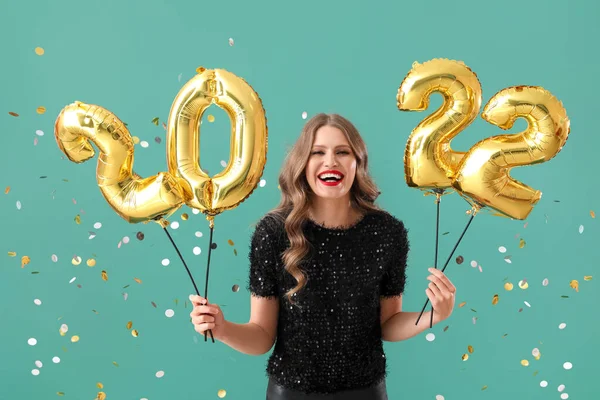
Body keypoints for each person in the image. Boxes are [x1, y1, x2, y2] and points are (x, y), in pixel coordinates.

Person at [189, 113, 457, 399]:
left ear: (358, 162)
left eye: (343, 152)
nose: (331, 161)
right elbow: (262, 336)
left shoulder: (387, 232)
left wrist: (434, 315)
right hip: (291, 393)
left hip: (365, 392)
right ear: (302, 163)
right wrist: (223, 328)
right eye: (318, 152)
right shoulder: (273, 233)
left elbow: (388, 325)